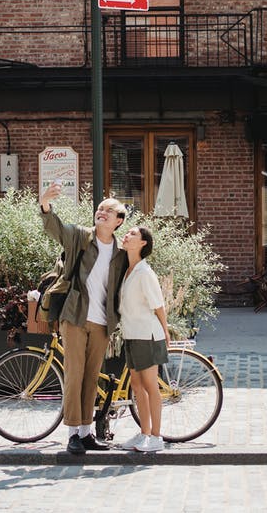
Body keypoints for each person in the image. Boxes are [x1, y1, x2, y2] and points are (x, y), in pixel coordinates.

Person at [39, 182, 128, 455]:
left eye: (108, 211)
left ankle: (87, 433)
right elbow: (55, 227)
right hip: (76, 316)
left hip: (102, 322)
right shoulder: (80, 237)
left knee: (92, 377)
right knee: (74, 374)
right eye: (100, 209)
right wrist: (45, 204)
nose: (101, 212)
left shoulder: (121, 252)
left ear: (119, 221)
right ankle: (72, 434)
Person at [116, 226, 170, 453]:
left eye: (132, 234)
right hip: (131, 334)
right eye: (126, 233)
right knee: (137, 387)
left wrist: (166, 332)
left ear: (143, 243)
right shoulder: (128, 270)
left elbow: (158, 305)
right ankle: (144, 433)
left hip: (147, 335)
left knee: (150, 387)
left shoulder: (145, 272)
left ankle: (156, 437)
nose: (126, 236)